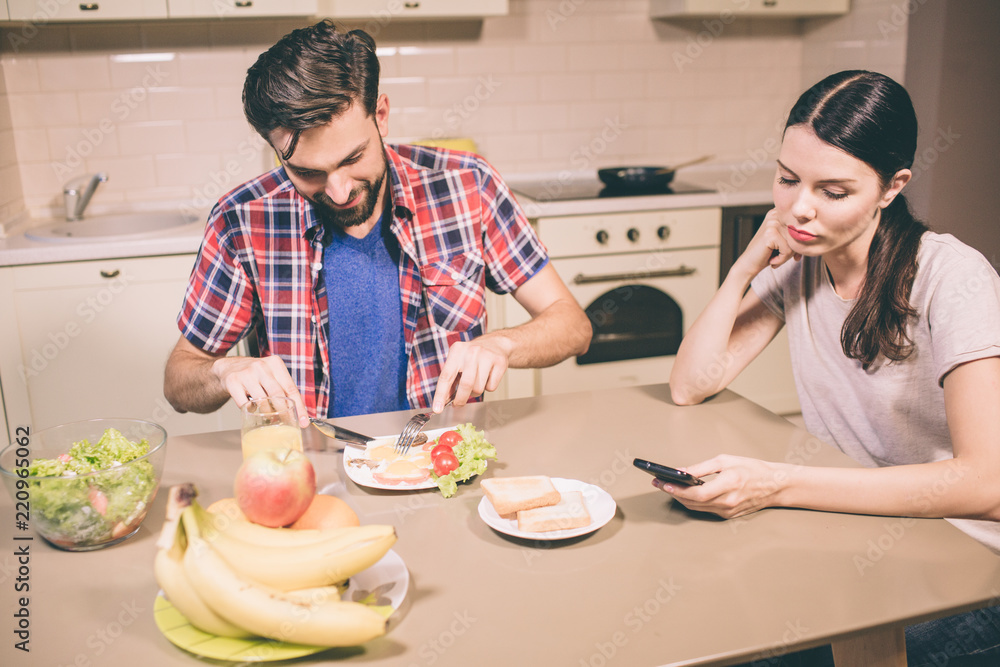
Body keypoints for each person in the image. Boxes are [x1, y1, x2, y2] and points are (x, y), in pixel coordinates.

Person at [665, 70, 1000, 666]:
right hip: (853, 530)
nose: (800, 208)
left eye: (833, 191)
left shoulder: (955, 278)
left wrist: (777, 484)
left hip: (966, 567)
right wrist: (748, 263)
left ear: (892, 187)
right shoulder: (799, 264)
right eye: (787, 179)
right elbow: (692, 384)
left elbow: (986, 485)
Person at [163, 20, 591, 424]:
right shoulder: (243, 219)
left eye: (352, 158)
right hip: (310, 469)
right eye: (308, 172)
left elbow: (572, 324)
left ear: (381, 115)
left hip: (437, 457)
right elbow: (179, 381)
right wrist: (224, 371)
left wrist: (502, 344)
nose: (338, 191)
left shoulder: (467, 186)